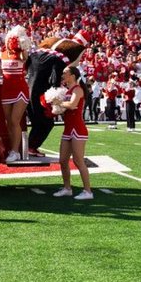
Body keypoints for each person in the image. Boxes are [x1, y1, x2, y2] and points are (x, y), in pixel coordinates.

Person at [52, 65, 93, 200]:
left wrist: (58, 102)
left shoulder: (78, 89)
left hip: (78, 129)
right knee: (63, 160)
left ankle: (88, 191)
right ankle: (67, 188)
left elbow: (72, 105)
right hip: (68, 128)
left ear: (73, 76)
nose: (63, 75)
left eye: (65, 73)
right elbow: (65, 108)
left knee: (78, 160)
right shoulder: (68, 90)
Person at [0, 27, 31, 160]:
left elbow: (25, 58)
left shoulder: (20, 53)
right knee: (8, 122)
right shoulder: (2, 53)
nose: (9, 42)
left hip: (20, 90)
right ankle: (14, 150)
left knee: (14, 120)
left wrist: (22, 45)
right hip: (6, 90)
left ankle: (15, 151)